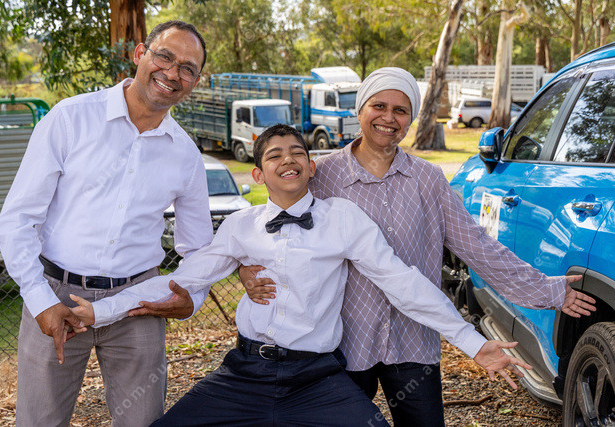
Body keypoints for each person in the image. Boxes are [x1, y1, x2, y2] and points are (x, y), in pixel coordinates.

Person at [70, 124, 533, 426]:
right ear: (258, 174)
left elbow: (403, 283)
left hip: (316, 377)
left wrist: (473, 343)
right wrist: (100, 310)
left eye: (297, 152)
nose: (287, 159)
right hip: (245, 372)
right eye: (274, 155)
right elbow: (183, 280)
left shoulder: (343, 218)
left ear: (312, 167)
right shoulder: (240, 227)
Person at [239, 68, 597, 426]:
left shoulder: (428, 179)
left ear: (411, 119)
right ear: (360, 110)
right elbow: (275, 227)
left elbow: (477, 246)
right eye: (379, 106)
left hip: (413, 338)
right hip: (342, 340)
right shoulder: (322, 175)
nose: (388, 118)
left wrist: (544, 289)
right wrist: (244, 269)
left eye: (401, 110)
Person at [0, 20, 213, 427]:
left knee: (142, 422)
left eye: (187, 68)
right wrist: (40, 300)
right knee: (39, 421)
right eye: (165, 57)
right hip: (56, 294)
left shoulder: (185, 154)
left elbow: (199, 249)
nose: (172, 73)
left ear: (195, 82)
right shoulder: (70, 118)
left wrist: (192, 298)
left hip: (138, 304)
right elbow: (17, 220)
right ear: (140, 54)